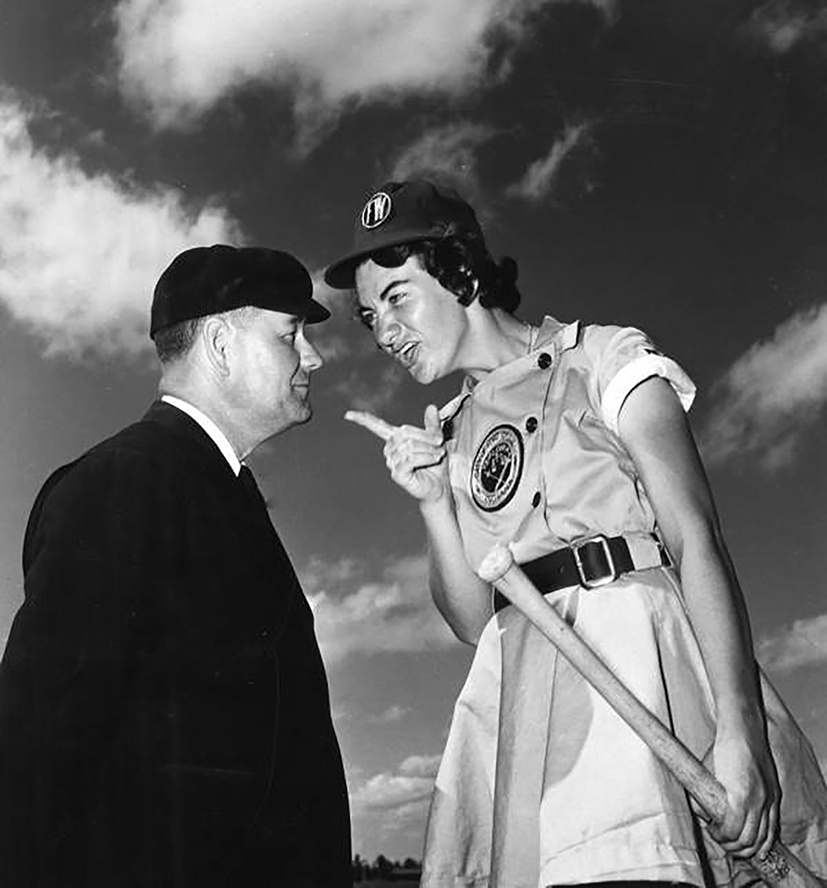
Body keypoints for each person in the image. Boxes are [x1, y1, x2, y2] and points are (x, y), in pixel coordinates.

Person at [324, 179, 827, 888]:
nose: (384, 332)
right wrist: (435, 500)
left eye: (398, 297)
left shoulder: (605, 358)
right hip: (532, 709)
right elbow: (474, 623)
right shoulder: (454, 434)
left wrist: (739, 735)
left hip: (652, 674)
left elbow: (695, 539)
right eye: (371, 317)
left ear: (460, 274)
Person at [0, 245, 353, 887]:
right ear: (220, 344)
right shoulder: (123, 484)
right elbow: (33, 756)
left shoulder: (220, 492)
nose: (314, 357)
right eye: (290, 334)